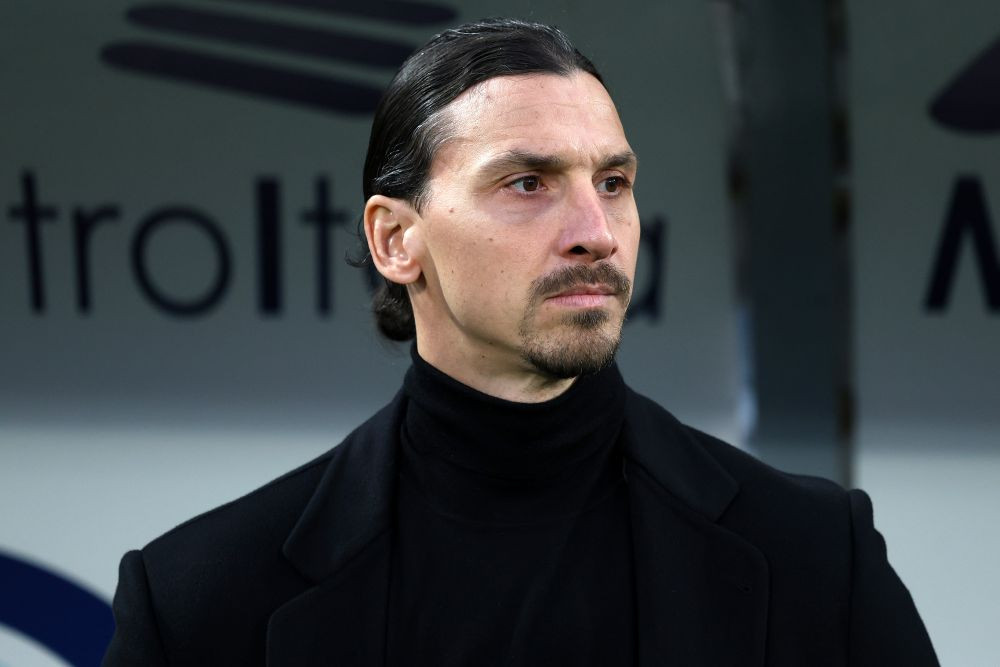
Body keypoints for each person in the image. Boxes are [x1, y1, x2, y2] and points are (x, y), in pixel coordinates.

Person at [102, 18, 938, 666]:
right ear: (396, 240)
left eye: (613, 182)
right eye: (528, 182)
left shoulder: (815, 556)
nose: (595, 231)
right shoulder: (200, 600)